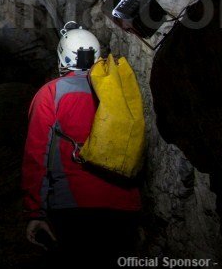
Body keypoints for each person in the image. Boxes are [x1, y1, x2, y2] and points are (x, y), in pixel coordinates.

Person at [22, 22, 141, 266]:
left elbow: (37, 155)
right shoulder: (117, 91)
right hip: (125, 206)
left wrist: (36, 211)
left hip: (75, 204)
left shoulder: (51, 93)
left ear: (63, 57)